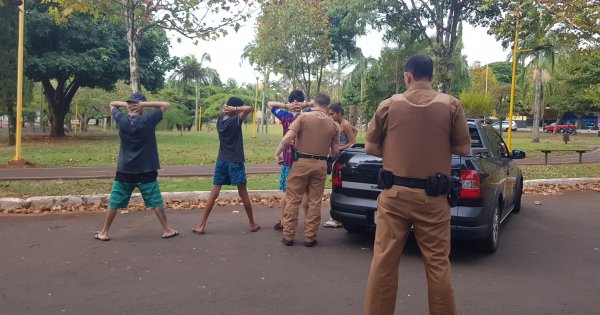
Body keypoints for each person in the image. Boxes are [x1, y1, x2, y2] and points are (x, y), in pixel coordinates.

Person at [363, 54, 471, 315]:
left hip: (394, 195)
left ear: (407, 77)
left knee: (384, 263)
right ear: (432, 77)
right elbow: (464, 148)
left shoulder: (388, 105)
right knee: (437, 266)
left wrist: (397, 152)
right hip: (433, 198)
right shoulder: (451, 105)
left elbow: (370, 147)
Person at [94, 92, 179, 241]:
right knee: (155, 200)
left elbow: (112, 104)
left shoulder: (121, 119)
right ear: (141, 108)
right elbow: (165, 105)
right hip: (146, 169)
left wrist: (127, 105)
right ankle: (167, 229)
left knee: (114, 200)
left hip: (125, 169)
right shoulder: (147, 119)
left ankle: (104, 232)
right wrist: (142, 105)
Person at [275, 92, 339, 247]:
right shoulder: (333, 125)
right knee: (314, 202)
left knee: (293, 199)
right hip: (321, 165)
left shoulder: (303, 118)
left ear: (313, 103)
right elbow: (335, 151)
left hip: (301, 162)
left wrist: (278, 152)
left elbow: (288, 137)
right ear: (328, 106)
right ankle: (310, 237)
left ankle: (288, 236)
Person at [192, 97, 260, 235]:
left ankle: (202, 225)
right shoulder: (235, 121)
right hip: (235, 161)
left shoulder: (221, 119)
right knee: (243, 193)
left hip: (221, 160)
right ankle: (252, 224)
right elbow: (249, 108)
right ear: (234, 109)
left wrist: (230, 108)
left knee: (214, 192)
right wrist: (236, 109)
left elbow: (243, 109)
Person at [267, 90, 310, 231]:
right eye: (295, 101)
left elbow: (270, 104)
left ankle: (284, 222)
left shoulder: (284, 115)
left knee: (286, 191)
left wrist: (286, 106)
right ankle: (308, 223)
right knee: (303, 191)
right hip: (303, 157)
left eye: (297, 101)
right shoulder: (307, 114)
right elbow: (320, 105)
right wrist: (304, 105)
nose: (296, 103)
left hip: (288, 157)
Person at [323, 102, 359, 228]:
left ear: (340, 113)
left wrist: (339, 148)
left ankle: (336, 219)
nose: (330, 116)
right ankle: (337, 217)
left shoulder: (345, 125)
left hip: (340, 158)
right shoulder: (339, 124)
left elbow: (352, 143)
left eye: (332, 114)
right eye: (329, 114)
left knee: (337, 187)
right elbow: (356, 131)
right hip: (336, 156)